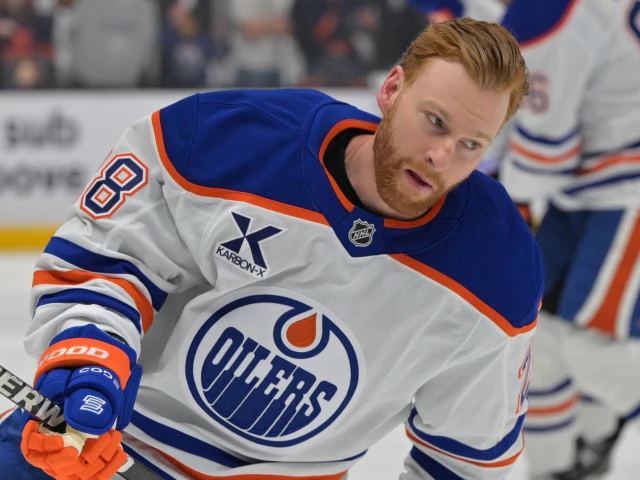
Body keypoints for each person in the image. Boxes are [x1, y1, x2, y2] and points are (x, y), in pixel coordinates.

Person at [0, 18, 541, 480]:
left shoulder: (496, 270)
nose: (442, 156)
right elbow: (110, 261)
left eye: (471, 144)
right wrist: (89, 363)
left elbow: (464, 462)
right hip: (105, 441)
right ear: (392, 89)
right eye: (435, 122)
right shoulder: (230, 138)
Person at [498, 0, 640, 478]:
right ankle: (560, 464)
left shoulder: (549, 10)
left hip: (625, 193)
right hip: (583, 192)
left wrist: (505, 200)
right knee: (533, 335)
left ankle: (590, 437)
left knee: (589, 346)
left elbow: (545, 149)